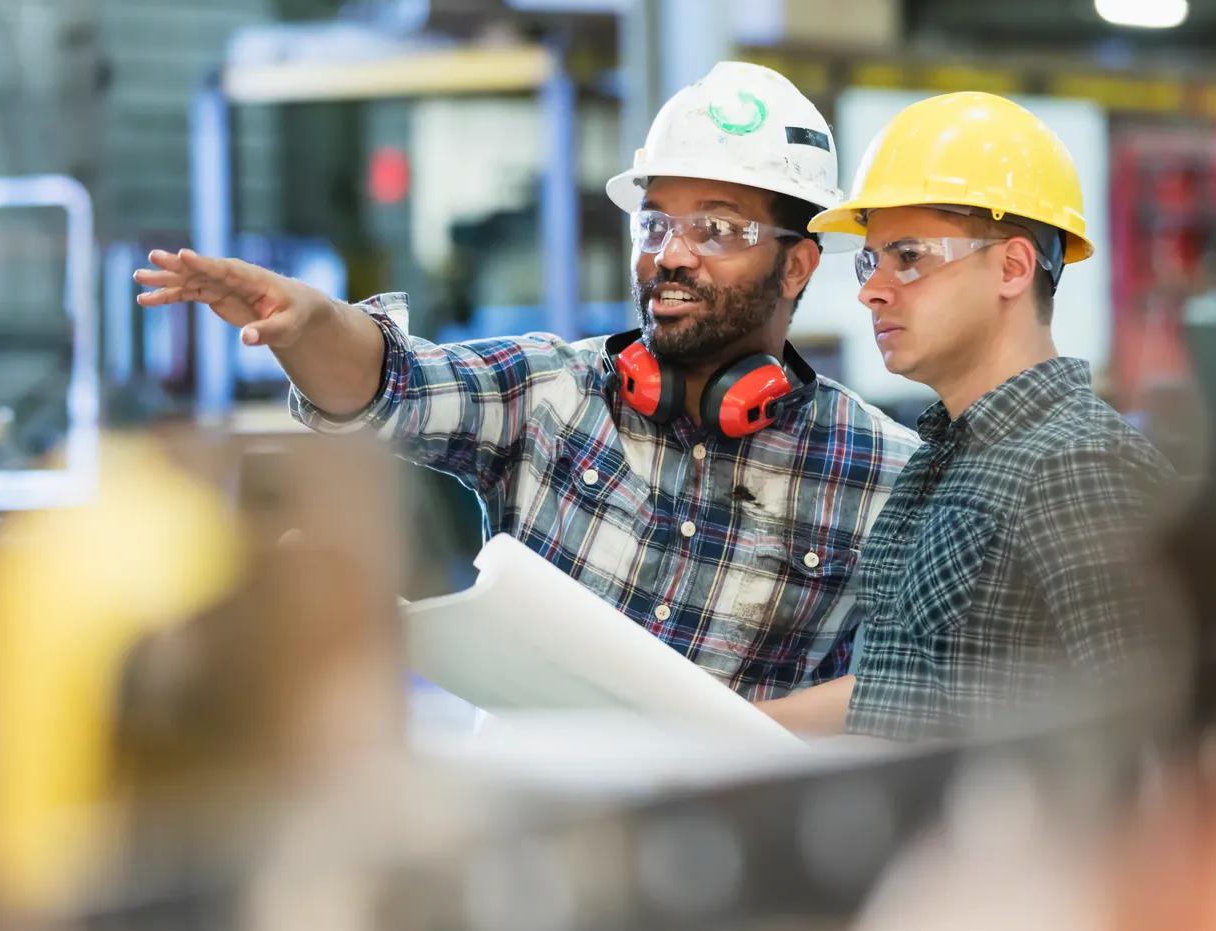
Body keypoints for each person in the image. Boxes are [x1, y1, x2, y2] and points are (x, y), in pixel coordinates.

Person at [135, 62, 917, 701]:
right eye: (655, 223)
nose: (671, 255)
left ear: (800, 262)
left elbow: (897, 701)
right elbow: (389, 382)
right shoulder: (551, 393)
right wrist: (307, 323)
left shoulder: (882, 474)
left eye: (715, 228)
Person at [757, 92, 1176, 740]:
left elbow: (1159, 722)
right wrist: (721, 729)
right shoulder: (944, 461)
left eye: (910, 257)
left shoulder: (1080, 465)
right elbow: (900, 689)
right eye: (872, 260)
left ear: (1011, 266)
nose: (871, 288)